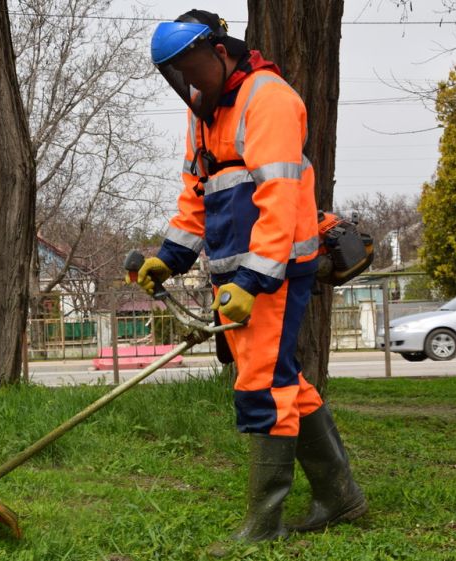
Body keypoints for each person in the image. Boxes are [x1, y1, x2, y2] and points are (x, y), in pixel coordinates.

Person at [135, 9, 367, 552]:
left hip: (275, 270)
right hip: (238, 276)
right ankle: (341, 498)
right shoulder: (204, 112)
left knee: (262, 384)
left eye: (194, 69)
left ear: (222, 51)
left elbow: (280, 201)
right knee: (287, 381)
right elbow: (198, 193)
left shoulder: (270, 100)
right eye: (179, 75)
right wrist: (168, 257)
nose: (189, 83)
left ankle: (263, 525)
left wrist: (254, 281)